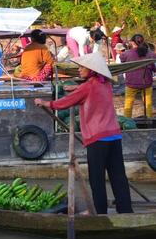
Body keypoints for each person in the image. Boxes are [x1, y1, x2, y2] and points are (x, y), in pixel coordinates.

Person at [35, 53, 133, 214]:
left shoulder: (88, 87)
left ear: (92, 70)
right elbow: (89, 89)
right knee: (118, 176)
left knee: (97, 178)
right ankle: (126, 211)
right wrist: (76, 87)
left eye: (82, 68)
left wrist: (45, 102)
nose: (79, 70)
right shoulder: (105, 83)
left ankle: (99, 212)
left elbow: (65, 102)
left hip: (98, 138)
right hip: (114, 136)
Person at [120, 34, 156, 118]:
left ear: (132, 42)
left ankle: (127, 122)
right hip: (146, 83)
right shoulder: (150, 54)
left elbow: (122, 60)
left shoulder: (126, 54)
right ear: (143, 41)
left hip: (132, 83)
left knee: (128, 104)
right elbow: (154, 68)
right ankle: (149, 120)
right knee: (148, 104)